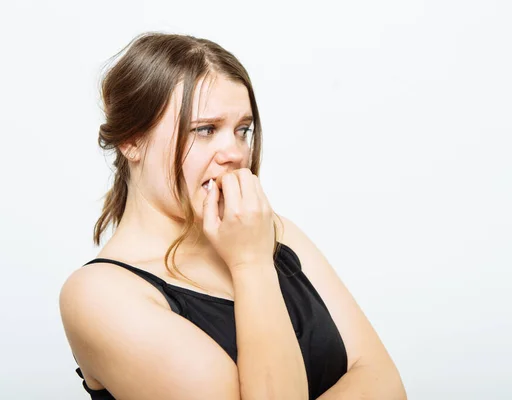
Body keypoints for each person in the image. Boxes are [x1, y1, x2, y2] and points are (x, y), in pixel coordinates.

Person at [59, 32, 406, 400]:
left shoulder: (273, 232)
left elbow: (386, 382)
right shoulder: (96, 296)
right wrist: (250, 263)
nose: (235, 152)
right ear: (131, 140)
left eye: (242, 130)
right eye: (205, 129)